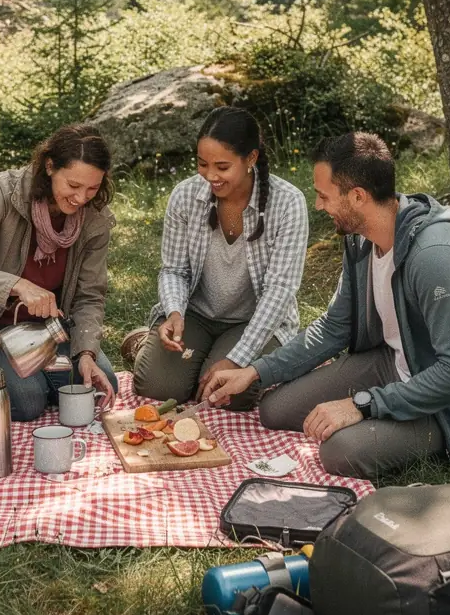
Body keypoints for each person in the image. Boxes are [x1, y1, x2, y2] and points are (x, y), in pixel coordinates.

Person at [202, 132, 450, 478]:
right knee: (275, 409)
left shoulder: (436, 258)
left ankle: (443, 445)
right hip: (394, 364)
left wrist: (363, 405)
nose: (318, 206)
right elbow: (334, 327)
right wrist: (257, 371)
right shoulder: (362, 243)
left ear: (358, 197)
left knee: (339, 452)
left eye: (323, 196)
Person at [122, 106, 309, 409]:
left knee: (234, 395)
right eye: (202, 164)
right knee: (156, 387)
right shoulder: (185, 196)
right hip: (195, 315)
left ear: (251, 159)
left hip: (254, 320)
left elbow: (280, 291)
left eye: (222, 167)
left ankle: (207, 361)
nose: (210, 176)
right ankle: (149, 343)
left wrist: (237, 357)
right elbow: (173, 270)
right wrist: (174, 313)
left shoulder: (288, 203)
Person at [0, 124, 118, 420]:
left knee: (97, 386)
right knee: (26, 401)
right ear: (49, 167)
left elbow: (89, 295)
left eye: (92, 188)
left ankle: (35, 375)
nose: (81, 198)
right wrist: (18, 285)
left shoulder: (94, 221)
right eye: (73, 185)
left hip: (46, 332)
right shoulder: (2, 193)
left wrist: (86, 354)